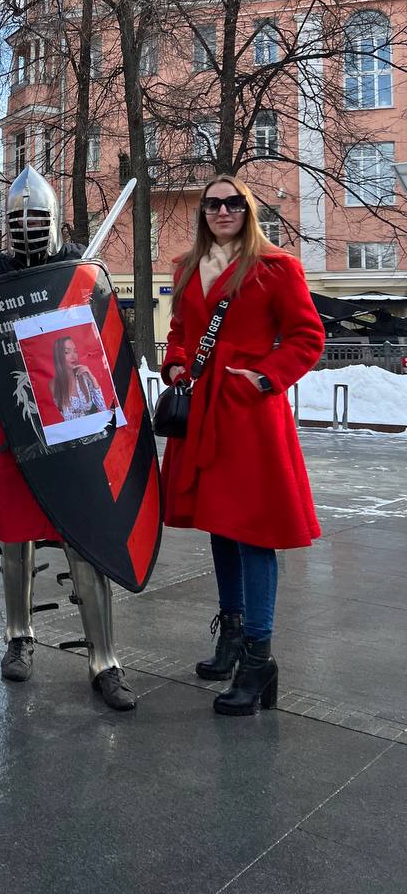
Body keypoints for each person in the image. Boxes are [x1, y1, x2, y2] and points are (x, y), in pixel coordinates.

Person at [0, 165, 136, 711]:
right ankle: (18, 636)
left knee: (84, 537)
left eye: (36, 217)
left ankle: (105, 659)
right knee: (15, 537)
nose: (27, 226)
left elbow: (103, 348)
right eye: (18, 218)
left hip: (70, 416)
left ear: (52, 219)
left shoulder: (79, 272)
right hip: (9, 417)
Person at [161, 174, 324, 716]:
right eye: (213, 204)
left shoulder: (276, 267)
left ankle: (259, 657)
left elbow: (307, 337)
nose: (223, 211)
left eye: (233, 203)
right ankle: (231, 637)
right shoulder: (186, 267)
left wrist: (263, 377)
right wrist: (176, 362)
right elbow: (180, 330)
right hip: (203, 414)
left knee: (254, 534)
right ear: (203, 212)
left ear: (248, 210)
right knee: (220, 528)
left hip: (249, 416)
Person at [50, 336, 105, 421]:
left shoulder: (84, 377)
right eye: (67, 352)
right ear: (59, 356)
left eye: (75, 351)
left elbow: (102, 407)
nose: (73, 356)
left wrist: (93, 378)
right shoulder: (54, 384)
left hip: (94, 426)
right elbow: (65, 417)